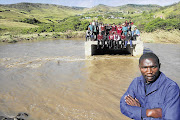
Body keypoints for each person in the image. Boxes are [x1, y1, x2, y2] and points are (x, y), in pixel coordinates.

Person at [120, 52, 180, 120]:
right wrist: (148, 112)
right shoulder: (136, 83)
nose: (149, 71)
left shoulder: (171, 88)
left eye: (153, 67)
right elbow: (123, 105)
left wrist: (138, 112)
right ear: (139, 68)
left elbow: (171, 118)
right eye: (145, 67)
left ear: (159, 66)